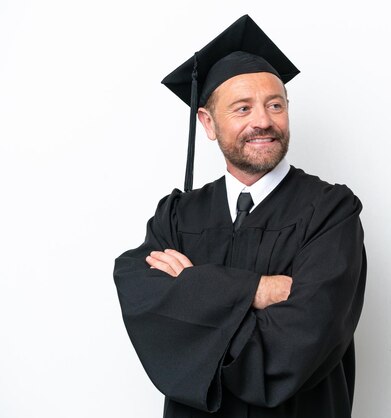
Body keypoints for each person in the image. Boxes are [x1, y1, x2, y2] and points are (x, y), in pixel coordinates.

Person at [113, 15, 366, 418]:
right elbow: (147, 310)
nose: (263, 121)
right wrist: (256, 291)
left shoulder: (331, 211)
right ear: (208, 123)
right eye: (242, 108)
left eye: (275, 105)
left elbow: (296, 350)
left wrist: (192, 297)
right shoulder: (177, 215)